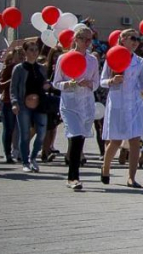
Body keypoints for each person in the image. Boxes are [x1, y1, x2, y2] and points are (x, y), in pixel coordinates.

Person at [100, 29, 143, 188]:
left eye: (138, 39)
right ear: (122, 40)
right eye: (132, 38)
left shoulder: (139, 61)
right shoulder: (112, 57)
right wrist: (112, 81)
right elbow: (101, 81)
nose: (136, 42)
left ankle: (131, 177)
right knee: (115, 140)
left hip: (134, 103)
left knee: (135, 141)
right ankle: (105, 168)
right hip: (117, 102)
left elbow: (142, 82)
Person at [53, 28, 99, 190]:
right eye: (84, 39)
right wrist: (69, 84)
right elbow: (56, 82)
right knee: (76, 136)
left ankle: (73, 166)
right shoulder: (64, 58)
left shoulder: (92, 60)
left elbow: (96, 83)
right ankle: (73, 177)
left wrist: (89, 84)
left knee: (80, 139)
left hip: (86, 104)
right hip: (70, 104)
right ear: (76, 39)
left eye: (90, 39)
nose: (87, 43)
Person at [11, 40, 50, 173]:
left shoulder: (41, 68)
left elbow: (44, 83)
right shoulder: (19, 68)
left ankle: (34, 157)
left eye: (36, 50)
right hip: (23, 104)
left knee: (42, 133)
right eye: (31, 50)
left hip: (40, 104)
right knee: (25, 134)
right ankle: (25, 161)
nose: (34, 52)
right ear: (25, 52)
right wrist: (14, 103)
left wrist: (46, 85)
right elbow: (14, 88)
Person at [0, 46, 24, 164]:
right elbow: (1, 85)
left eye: (23, 55)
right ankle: (7, 153)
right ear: (13, 57)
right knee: (8, 128)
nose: (21, 58)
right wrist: (12, 80)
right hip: (8, 102)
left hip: (22, 102)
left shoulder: (25, 68)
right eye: (19, 56)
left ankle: (18, 152)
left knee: (20, 129)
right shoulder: (9, 68)